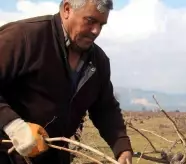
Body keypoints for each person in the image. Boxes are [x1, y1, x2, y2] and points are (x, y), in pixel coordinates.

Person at [0, 0, 133, 164]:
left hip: (54, 157)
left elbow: (105, 108)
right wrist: (14, 126)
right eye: (90, 20)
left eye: (101, 24)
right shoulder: (23, 38)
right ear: (67, 10)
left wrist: (122, 147)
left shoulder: (98, 62)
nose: (96, 31)